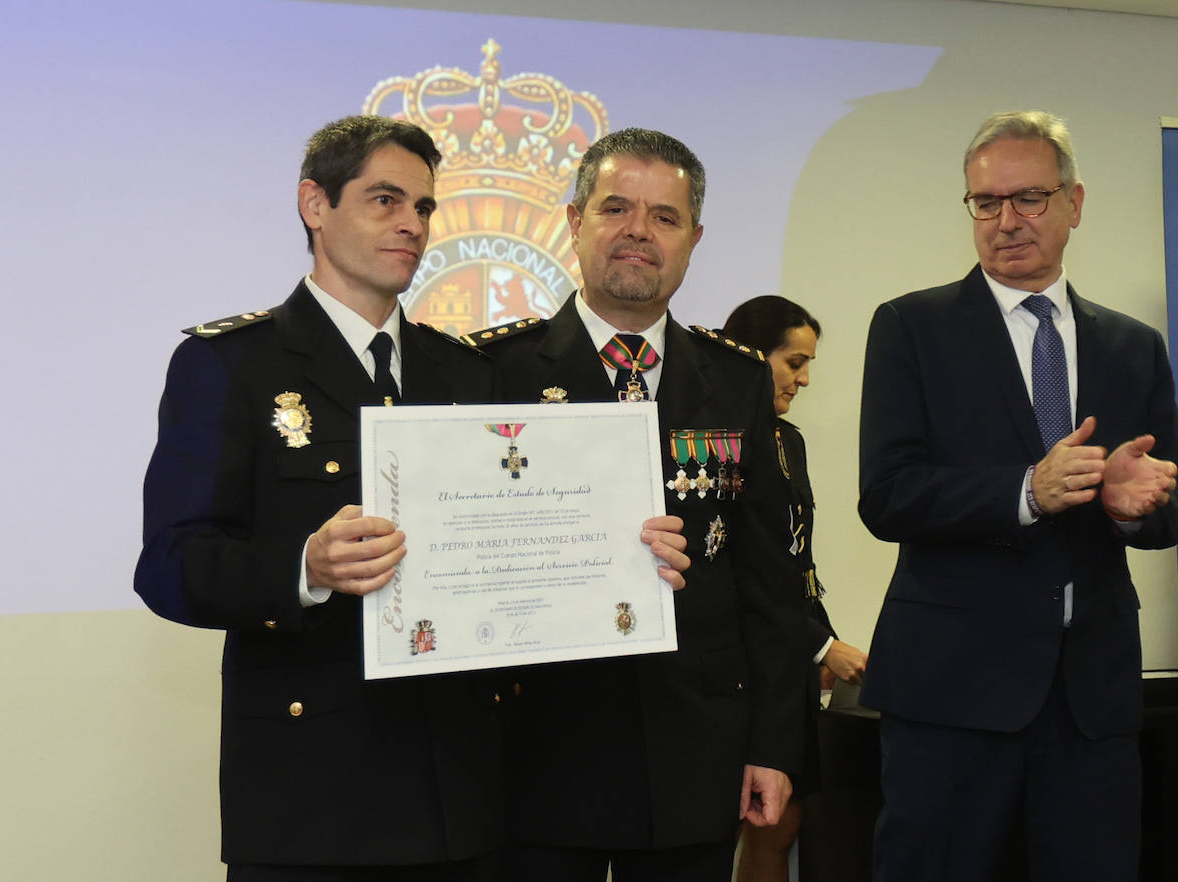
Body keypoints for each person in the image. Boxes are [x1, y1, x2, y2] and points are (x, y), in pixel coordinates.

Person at [133, 115, 689, 881]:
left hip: (463, 795)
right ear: (314, 204)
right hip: (311, 797)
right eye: (385, 200)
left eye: (424, 208)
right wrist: (304, 565)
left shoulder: (467, 373)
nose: (411, 225)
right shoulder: (232, 365)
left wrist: (625, 554)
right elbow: (169, 566)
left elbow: (527, 532)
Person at [857, 110, 1178, 882]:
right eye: (986, 202)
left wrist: (1126, 505)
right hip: (951, 697)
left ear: (1075, 203)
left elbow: (1177, 501)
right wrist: (1025, 492)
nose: (1006, 221)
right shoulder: (912, 327)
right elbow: (887, 495)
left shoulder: (1131, 345)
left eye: (1029, 199)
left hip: (1092, 704)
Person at [462, 128, 807, 882]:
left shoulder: (737, 380)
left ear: (694, 239)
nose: (637, 233)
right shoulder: (492, 369)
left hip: (698, 754)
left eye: (664, 217)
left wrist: (774, 746)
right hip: (539, 755)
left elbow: (772, 589)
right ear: (574, 220)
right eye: (616, 208)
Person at [722, 295, 869, 882]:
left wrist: (824, 642)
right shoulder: (714, 442)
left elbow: (795, 566)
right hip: (734, 669)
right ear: (752, 356)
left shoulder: (790, 442)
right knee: (719, 831)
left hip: (788, 671)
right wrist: (820, 645)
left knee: (780, 825)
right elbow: (735, 570)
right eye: (793, 362)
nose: (804, 378)